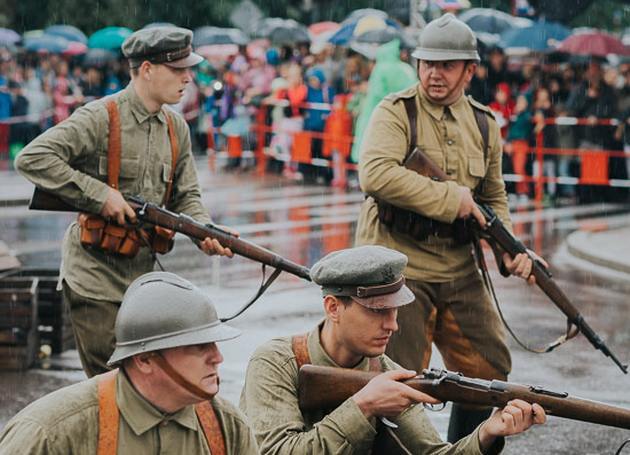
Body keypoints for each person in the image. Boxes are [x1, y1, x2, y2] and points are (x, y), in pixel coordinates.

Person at [354, 13, 547, 441]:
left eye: (446, 65)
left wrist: (508, 247)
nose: (434, 73)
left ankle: (467, 449)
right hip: (399, 264)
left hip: (459, 266)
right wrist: (452, 198)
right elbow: (375, 174)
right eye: (427, 63)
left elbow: (494, 197)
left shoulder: (484, 123)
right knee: (397, 380)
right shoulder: (397, 111)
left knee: (488, 370)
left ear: (469, 70)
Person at [15, 27, 235, 378]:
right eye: (177, 69)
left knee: (146, 385)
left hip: (142, 282)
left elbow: (187, 196)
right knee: (115, 385)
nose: (188, 78)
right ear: (146, 69)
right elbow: (33, 158)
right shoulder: (101, 116)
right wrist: (101, 195)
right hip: (94, 277)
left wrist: (203, 231)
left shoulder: (176, 127)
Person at [240, 246, 546, 454]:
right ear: (334, 307)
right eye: (377, 311)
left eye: (395, 310)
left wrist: (487, 433)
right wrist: (363, 407)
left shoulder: (384, 372)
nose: (393, 325)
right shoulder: (275, 362)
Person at [0, 271, 258, 454]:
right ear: (145, 359)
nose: (217, 357)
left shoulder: (226, 427)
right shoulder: (50, 433)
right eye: (199, 346)